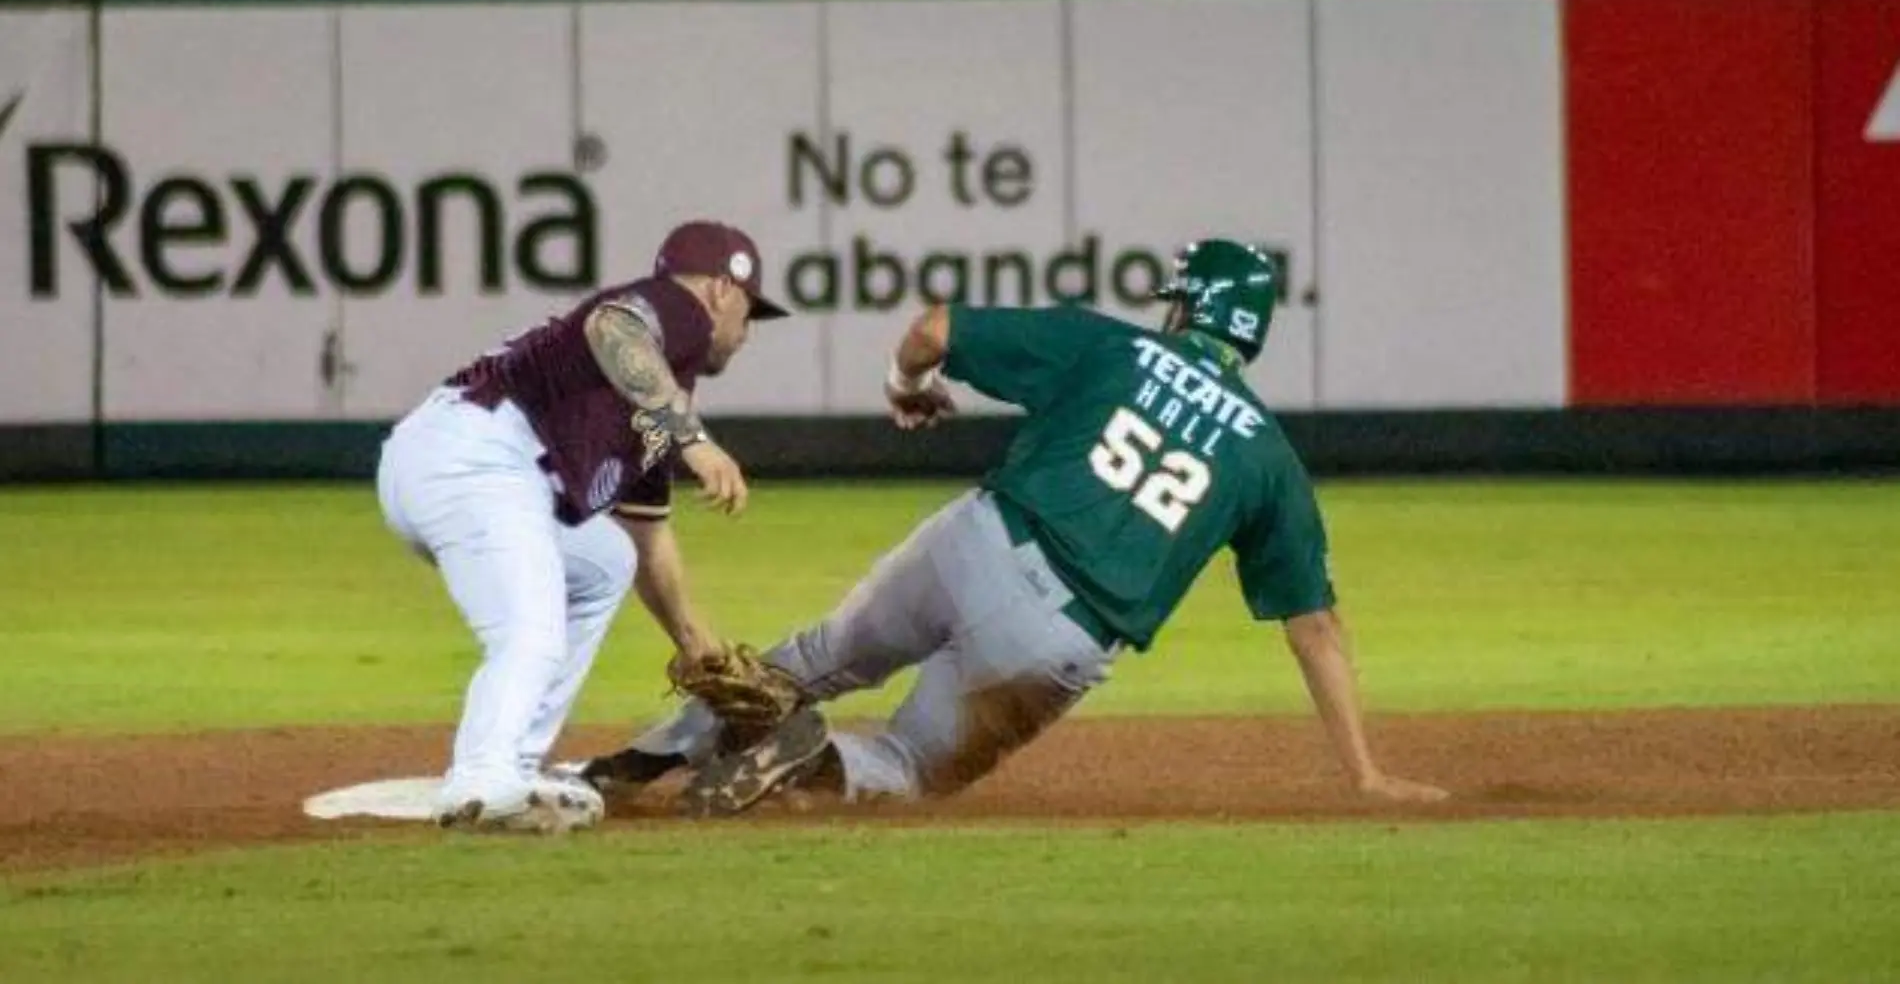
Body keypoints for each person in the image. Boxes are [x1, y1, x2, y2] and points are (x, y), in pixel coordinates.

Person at [578, 238, 1446, 815]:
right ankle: (807, 760)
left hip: (975, 542)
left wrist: (905, 388)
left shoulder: (1112, 348)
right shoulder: (1268, 459)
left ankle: (644, 759)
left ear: (1186, 309)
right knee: (910, 769)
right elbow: (1315, 626)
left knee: (809, 658)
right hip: (1052, 637)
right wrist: (1364, 774)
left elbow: (932, 330)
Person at [376, 220, 788, 832]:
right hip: (471, 460)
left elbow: (646, 541)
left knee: (604, 561)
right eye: (750, 312)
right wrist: (693, 441)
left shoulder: (657, 402)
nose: (747, 332)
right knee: (530, 629)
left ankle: (516, 763)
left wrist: (697, 645)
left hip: (460, 468)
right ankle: (482, 778)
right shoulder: (682, 310)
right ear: (724, 289)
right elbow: (612, 326)